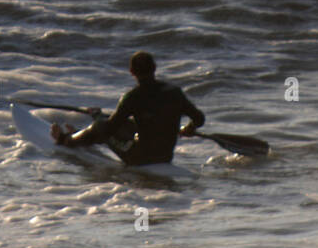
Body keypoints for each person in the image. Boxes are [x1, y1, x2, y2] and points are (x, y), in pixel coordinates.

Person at [50, 51, 205, 166]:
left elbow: (109, 129)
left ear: (131, 72)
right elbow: (199, 119)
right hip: (166, 156)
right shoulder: (174, 92)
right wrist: (189, 129)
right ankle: (82, 135)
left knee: (100, 125)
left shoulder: (133, 96)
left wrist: (96, 116)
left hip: (139, 158)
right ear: (155, 68)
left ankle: (66, 139)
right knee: (126, 124)